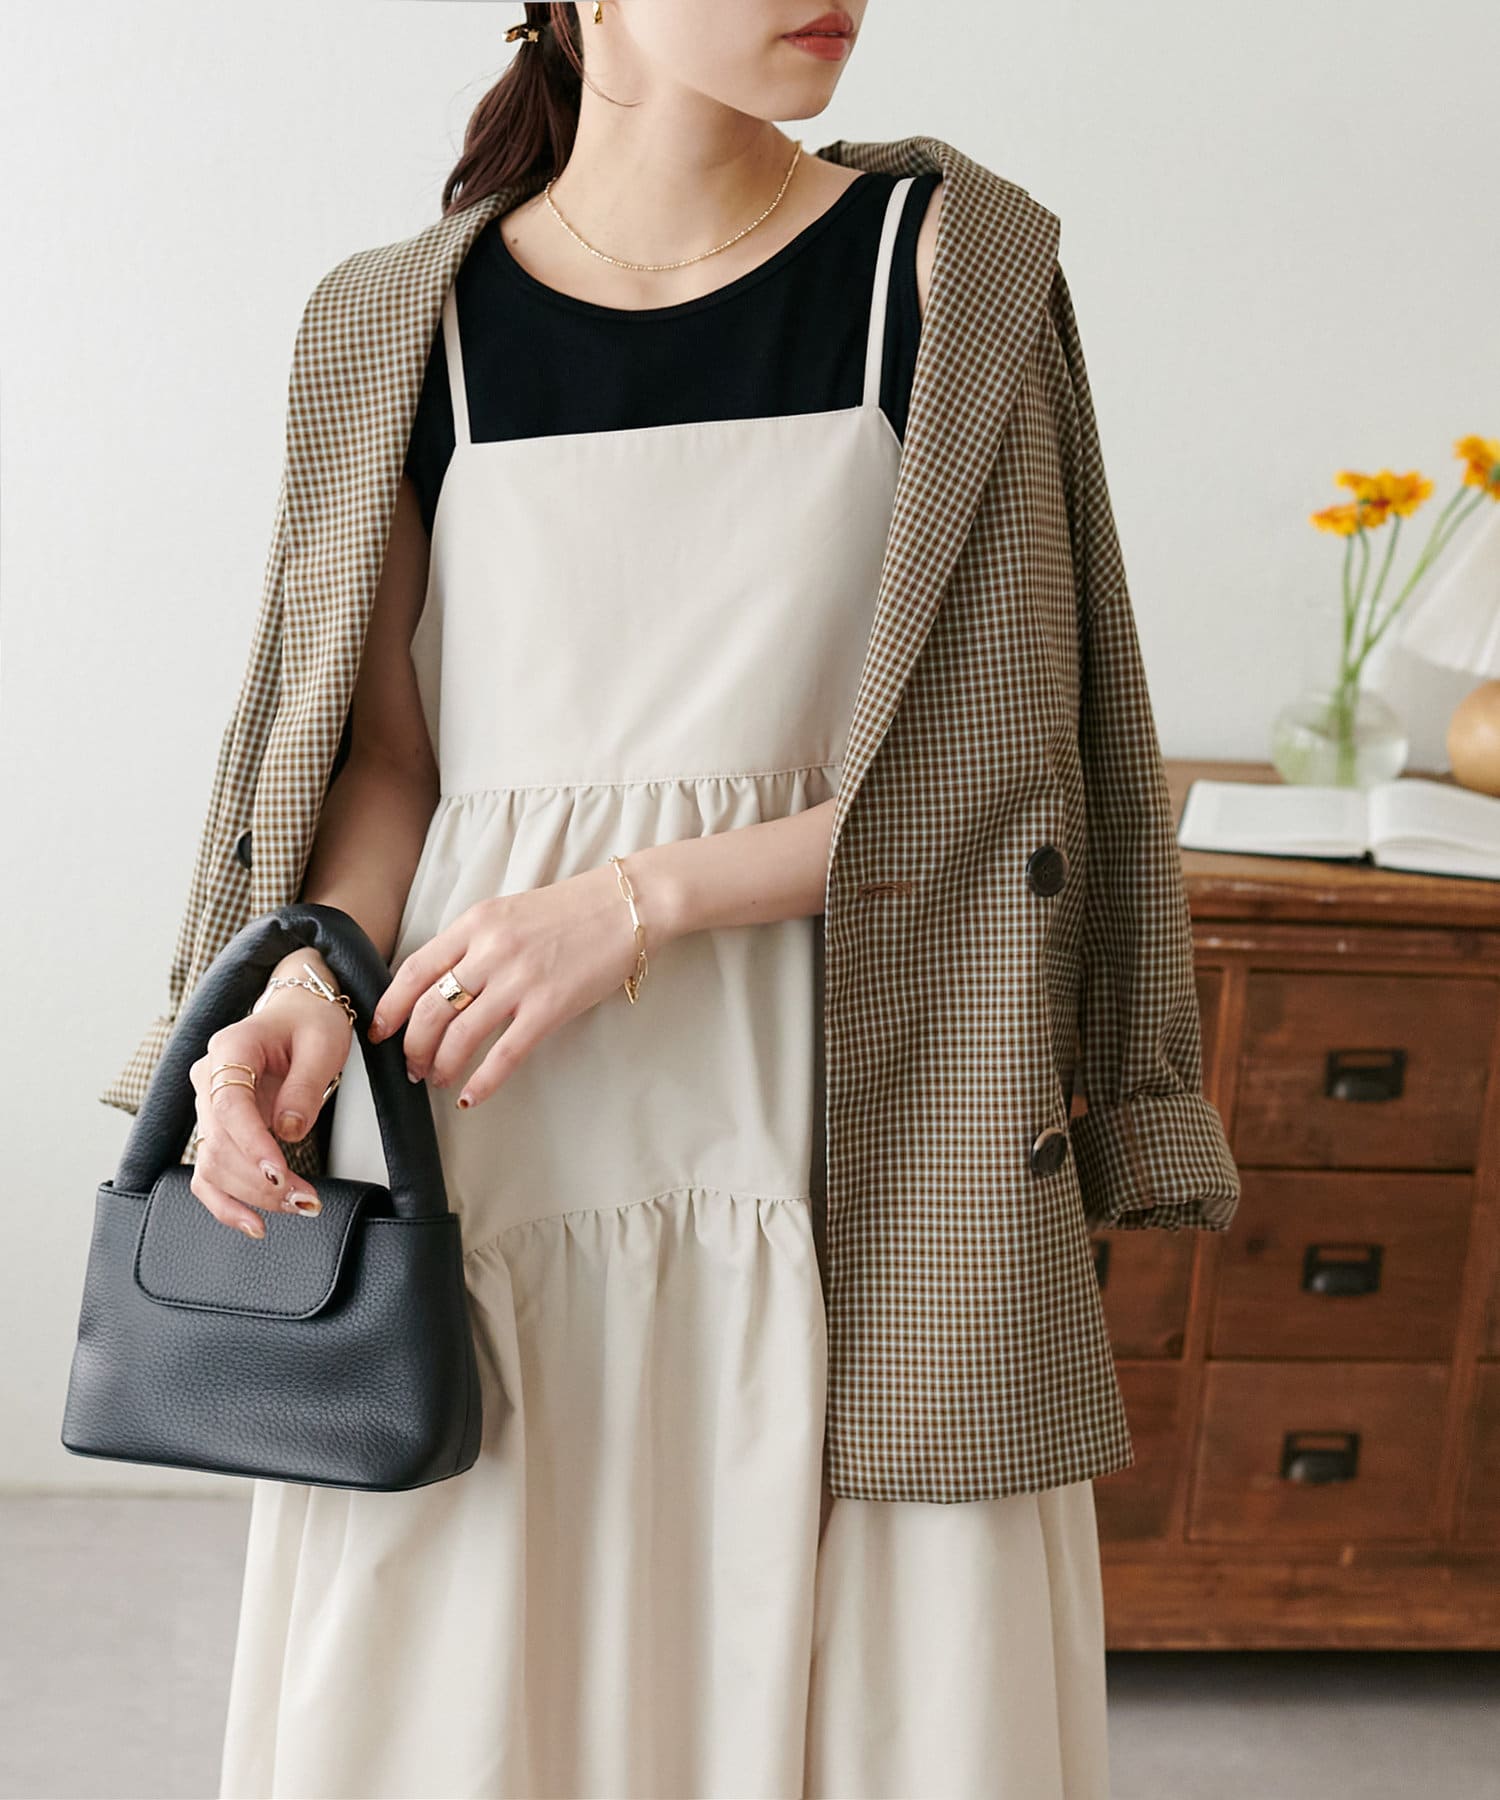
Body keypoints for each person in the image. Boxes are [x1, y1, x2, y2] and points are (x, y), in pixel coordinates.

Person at [173, 4, 1140, 1795]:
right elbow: (384, 765)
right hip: (488, 1095)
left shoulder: (943, 269)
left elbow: (1001, 775)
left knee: (886, 1686)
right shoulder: (399, 320)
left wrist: (636, 900)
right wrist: (304, 988)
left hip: (853, 1093)